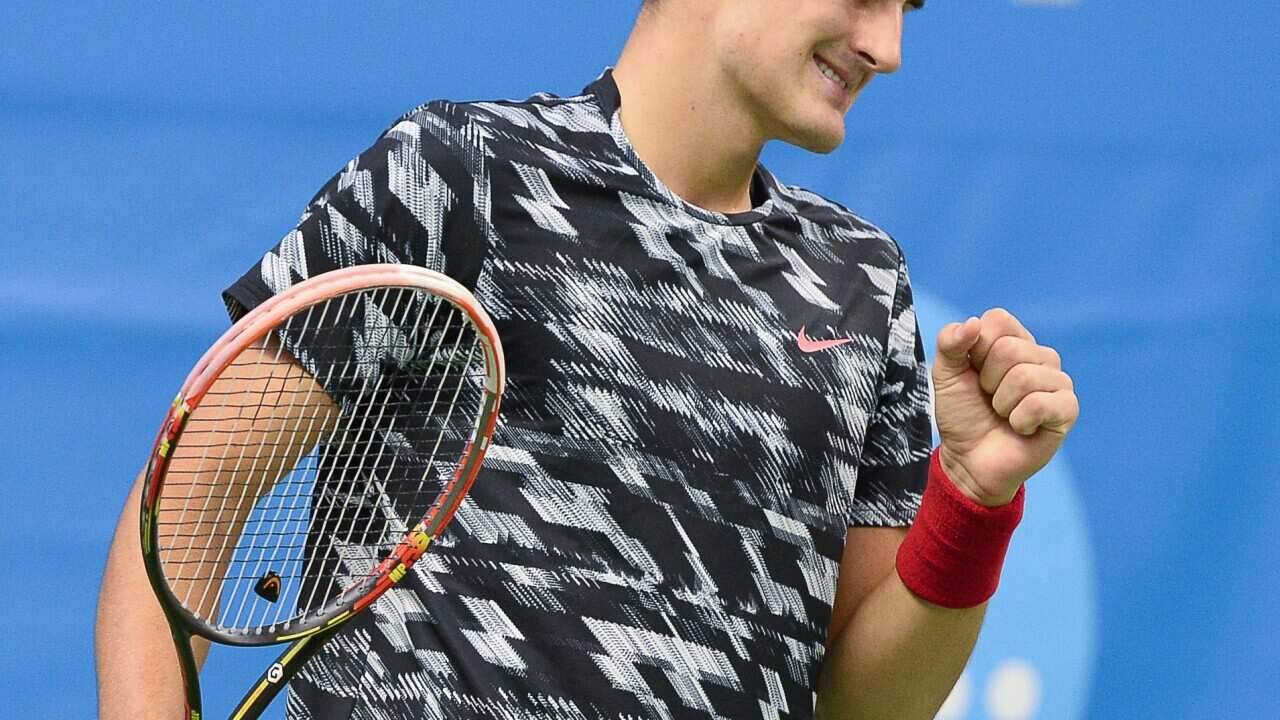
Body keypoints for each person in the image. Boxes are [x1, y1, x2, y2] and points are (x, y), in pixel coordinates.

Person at [96, 1, 1080, 718]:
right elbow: (169, 540)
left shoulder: (864, 285)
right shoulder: (459, 175)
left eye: (906, 8)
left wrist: (972, 498)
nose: (887, 47)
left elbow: (862, 712)